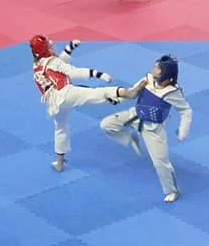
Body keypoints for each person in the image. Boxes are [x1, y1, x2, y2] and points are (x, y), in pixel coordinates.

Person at [30, 35, 131, 172]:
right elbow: (72, 72)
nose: (52, 47)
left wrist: (70, 48)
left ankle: (59, 162)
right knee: (94, 93)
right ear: (45, 50)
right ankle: (125, 93)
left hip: (54, 104)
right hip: (65, 93)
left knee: (61, 127)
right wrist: (98, 74)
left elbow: (60, 64)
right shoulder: (53, 61)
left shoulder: (37, 65)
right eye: (49, 46)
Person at [100, 56, 192, 203]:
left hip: (153, 129)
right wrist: (117, 99)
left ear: (165, 73)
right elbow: (132, 92)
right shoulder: (148, 79)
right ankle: (129, 138)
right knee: (106, 125)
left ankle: (172, 191)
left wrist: (183, 131)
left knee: (160, 162)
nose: (153, 69)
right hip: (134, 116)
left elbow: (186, 111)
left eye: (157, 68)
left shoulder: (172, 92)